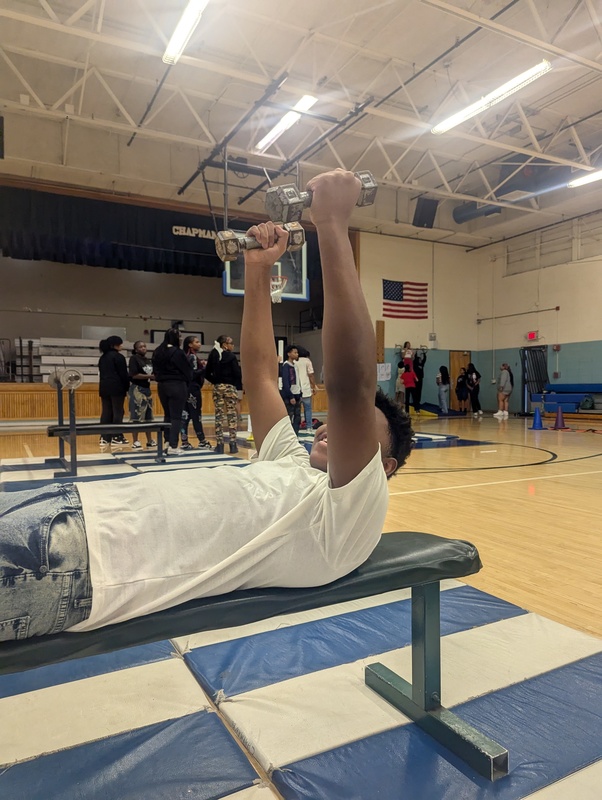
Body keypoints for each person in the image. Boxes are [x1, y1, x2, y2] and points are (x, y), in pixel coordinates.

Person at [0, 169, 413, 641]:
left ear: (385, 466)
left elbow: (350, 386)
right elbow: (258, 375)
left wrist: (334, 227)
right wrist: (256, 271)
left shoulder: (348, 516)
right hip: (74, 503)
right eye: (327, 425)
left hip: (75, 558)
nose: (326, 428)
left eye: (357, 428)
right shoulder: (290, 463)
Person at [152, 328, 192, 455]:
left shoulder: (158, 351)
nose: (181, 339)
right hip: (176, 385)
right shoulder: (178, 352)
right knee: (176, 417)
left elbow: (155, 369)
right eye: (179, 337)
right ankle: (173, 446)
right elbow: (187, 371)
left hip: (162, 386)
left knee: (167, 415)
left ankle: (167, 442)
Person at [205, 335, 242, 454]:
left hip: (217, 387)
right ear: (225, 344)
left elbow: (206, 372)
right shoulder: (231, 356)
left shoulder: (213, 355)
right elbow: (237, 373)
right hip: (230, 387)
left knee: (219, 415)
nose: (232, 345)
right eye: (231, 343)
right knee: (231, 414)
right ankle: (233, 444)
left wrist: (215, 381)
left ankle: (220, 444)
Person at [180, 335, 212, 450]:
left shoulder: (186, 356)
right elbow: (193, 374)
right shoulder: (192, 357)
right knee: (196, 415)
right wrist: (204, 368)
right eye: (197, 342)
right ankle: (202, 440)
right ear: (190, 344)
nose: (199, 344)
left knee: (185, 416)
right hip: (193, 389)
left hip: (185, 389)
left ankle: (184, 441)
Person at [98, 335, 130, 449]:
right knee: (118, 411)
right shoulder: (118, 357)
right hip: (117, 387)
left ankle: (104, 437)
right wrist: (127, 387)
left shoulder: (103, 358)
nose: (121, 346)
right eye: (119, 344)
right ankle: (117, 436)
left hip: (104, 387)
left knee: (106, 411)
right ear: (114, 345)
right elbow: (123, 374)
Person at [127, 340, 156, 450]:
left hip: (147, 389)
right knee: (136, 416)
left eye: (144, 346)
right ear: (136, 349)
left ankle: (149, 440)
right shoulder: (134, 359)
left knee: (148, 416)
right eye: (140, 347)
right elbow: (134, 375)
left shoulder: (148, 360)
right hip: (137, 389)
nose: (143, 348)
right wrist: (150, 377)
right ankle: (135, 441)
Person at [293, 345, 316, 431]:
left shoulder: (294, 361)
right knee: (308, 409)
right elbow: (311, 374)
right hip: (306, 388)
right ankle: (309, 427)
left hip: (296, 389)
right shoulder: (307, 361)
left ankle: (296, 427)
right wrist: (313, 386)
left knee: (296, 410)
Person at [280, 344, 302, 434]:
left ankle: (295, 433)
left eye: (297, 353)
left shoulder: (295, 366)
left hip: (297, 394)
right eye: (295, 352)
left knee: (298, 416)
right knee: (289, 416)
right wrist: (290, 396)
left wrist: (300, 393)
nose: (297, 354)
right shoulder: (286, 366)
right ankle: (288, 434)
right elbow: (286, 382)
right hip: (290, 395)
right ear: (289, 354)